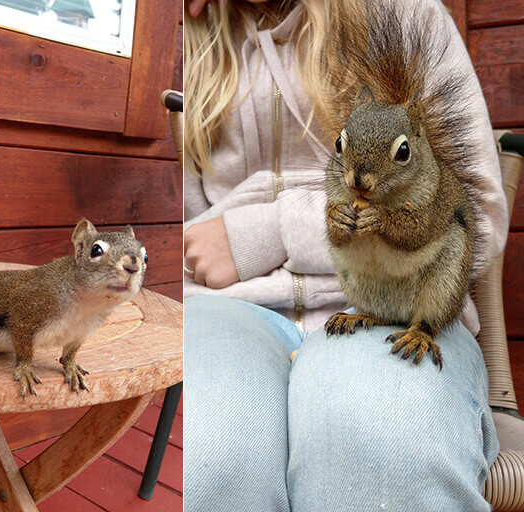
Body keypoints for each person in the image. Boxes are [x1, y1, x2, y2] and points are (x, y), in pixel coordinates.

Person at [183, 0, 509, 510]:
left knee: (381, 449)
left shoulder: (405, 18)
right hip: (228, 309)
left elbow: (477, 219)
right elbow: (183, 233)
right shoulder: (190, 41)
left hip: (399, 304)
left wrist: (270, 230)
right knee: (211, 459)